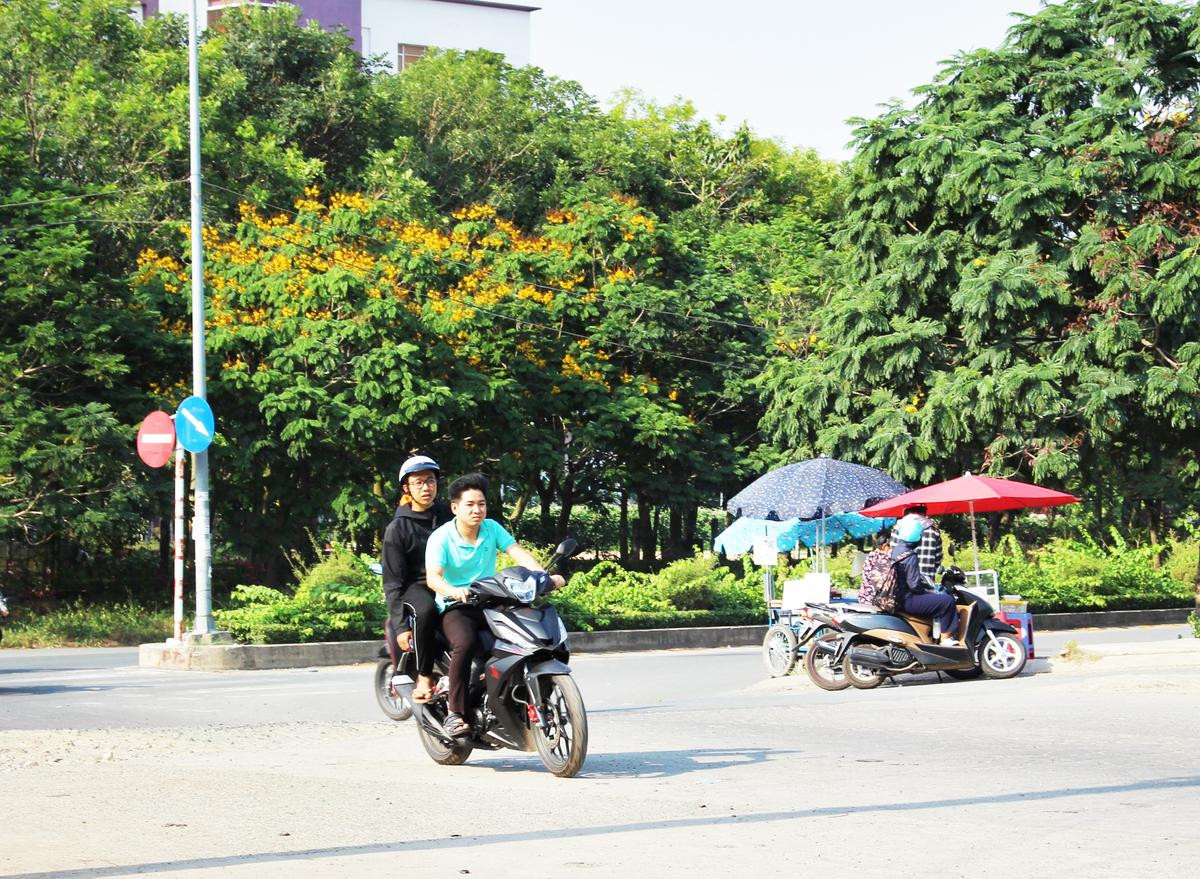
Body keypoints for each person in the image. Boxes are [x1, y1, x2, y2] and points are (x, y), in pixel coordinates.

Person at [425, 472, 563, 737]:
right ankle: (454, 713)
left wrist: (543, 578)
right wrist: (454, 591)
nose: (477, 510)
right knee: (465, 643)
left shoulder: (492, 528)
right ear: (455, 508)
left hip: (490, 601)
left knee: (519, 639)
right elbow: (434, 578)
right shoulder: (441, 538)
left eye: (482, 504)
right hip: (456, 606)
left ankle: (512, 699)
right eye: (470, 504)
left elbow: (517, 553)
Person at [381, 455, 452, 704]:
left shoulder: (448, 516)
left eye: (430, 481)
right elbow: (392, 582)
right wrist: (401, 627)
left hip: (450, 581)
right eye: (419, 482)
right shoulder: (397, 529)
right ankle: (424, 675)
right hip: (417, 585)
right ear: (407, 488)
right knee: (426, 609)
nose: (426, 487)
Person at [892, 516, 960, 646]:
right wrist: (927, 591)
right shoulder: (909, 555)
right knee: (946, 601)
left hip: (897, 596)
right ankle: (945, 639)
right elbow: (914, 585)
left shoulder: (895, 551)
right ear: (916, 537)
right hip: (907, 599)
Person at [890, 504, 942, 586]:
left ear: (908, 512)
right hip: (926, 581)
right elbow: (938, 559)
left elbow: (892, 555)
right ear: (924, 513)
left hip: (902, 582)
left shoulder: (897, 528)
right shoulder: (933, 530)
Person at [857, 534, 891, 607]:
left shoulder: (871, 555)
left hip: (864, 595)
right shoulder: (883, 558)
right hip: (874, 598)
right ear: (885, 545)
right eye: (890, 547)